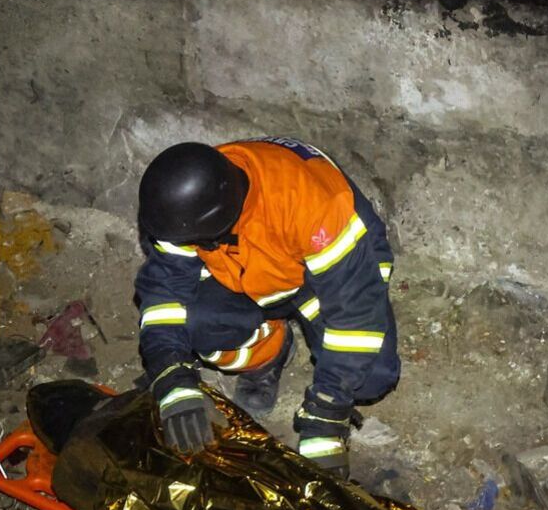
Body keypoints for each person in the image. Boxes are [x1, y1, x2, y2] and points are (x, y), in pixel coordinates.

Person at [134, 137, 400, 477]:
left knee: (371, 377)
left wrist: (326, 416)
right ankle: (269, 351)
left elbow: (356, 312)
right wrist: (171, 375)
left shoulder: (311, 205)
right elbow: (163, 295)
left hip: (319, 278)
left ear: (219, 224)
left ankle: (291, 321)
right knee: (196, 325)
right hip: (251, 275)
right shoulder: (188, 208)